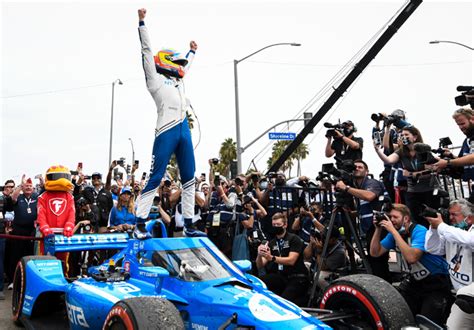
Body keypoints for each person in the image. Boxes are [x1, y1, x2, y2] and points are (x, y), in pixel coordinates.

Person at [134, 8, 202, 239]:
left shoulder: (178, 82)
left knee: (190, 176)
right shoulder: (155, 81)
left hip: (184, 129)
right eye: (177, 61)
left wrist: (192, 52)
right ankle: (140, 222)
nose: (181, 65)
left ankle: (190, 223)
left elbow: (186, 68)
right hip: (166, 131)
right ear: (165, 61)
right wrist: (142, 23)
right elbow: (146, 51)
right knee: (155, 176)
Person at [370, 203, 451, 325]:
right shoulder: (395, 234)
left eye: (395, 217)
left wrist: (392, 230)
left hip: (435, 281)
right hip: (415, 281)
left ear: (406, 218)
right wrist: (378, 229)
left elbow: (412, 257)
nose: (391, 221)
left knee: (427, 323)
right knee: (399, 315)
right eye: (389, 217)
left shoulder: (420, 231)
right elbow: (375, 252)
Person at [335, 159, 390, 282]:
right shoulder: (358, 187)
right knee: (374, 260)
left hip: (379, 226)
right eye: (355, 167)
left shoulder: (372, 182)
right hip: (371, 227)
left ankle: (384, 287)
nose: (357, 168)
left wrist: (346, 188)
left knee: (378, 261)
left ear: (367, 171)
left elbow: (369, 196)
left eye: (360, 167)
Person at [374, 125, 440, 228]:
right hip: (413, 191)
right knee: (415, 219)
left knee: (432, 218)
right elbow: (388, 160)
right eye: (402, 135)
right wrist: (377, 150)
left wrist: (412, 174)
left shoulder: (423, 149)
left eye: (406, 134)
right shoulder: (401, 151)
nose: (403, 137)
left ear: (415, 137)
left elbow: (434, 167)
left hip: (429, 189)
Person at [424, 199, 474, 327]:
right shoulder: (450, 231)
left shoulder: (461, 232)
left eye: (454, 215)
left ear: (468, 216)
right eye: (449, 214)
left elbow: (469, 240)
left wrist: (441, 225)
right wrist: (434, 228)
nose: (450, 218)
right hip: (461, 298)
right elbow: (432, 248)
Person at [256, 212, 309, 306]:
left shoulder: (294, 239)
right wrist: (260, 254)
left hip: (297, 277)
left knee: (283, 302)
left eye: (278, 225)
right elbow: (260, 265)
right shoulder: (272, 243)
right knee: (259, 282)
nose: (276, 227)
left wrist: (272, 258)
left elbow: (291, 260)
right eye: (274, 225)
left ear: (285, 225)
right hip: (282, 276)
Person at [4, 176, 38, 289]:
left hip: (32, 231)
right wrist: (20, 185)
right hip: (18, 230)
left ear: (33, 188)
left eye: (30, 186)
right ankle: (13, 280)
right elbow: (12, 198)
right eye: (26, 186)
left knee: (31, 256)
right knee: (16, 255)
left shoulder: (36, 197)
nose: (28, 188)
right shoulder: (19, 196)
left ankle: (29, 281)